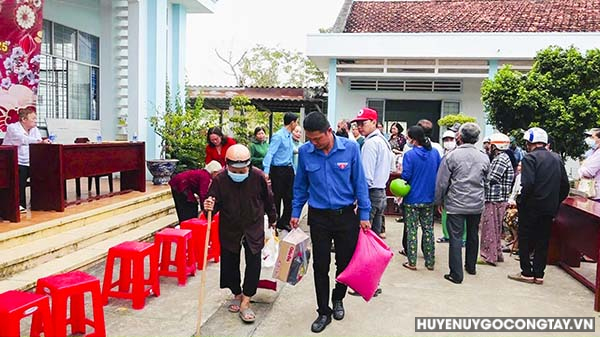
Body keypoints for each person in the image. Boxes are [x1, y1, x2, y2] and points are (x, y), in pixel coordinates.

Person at [290, 111, 370, 333]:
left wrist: (364, 215)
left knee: (345, 264)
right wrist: (296, 211)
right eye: (310, 139)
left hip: (346, 216)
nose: (313, 143)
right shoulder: (306, 153)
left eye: (317, 138)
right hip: (319, 217)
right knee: (320, 265)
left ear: (328, 131)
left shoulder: (350, 149)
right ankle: (323, 311)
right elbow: (300, 186)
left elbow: (360, 183)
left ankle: (338, 298)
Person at [203, 144, 277, 323]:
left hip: (253, 225)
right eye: (233, 169)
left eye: (242, 168)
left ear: (249, 164)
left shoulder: (258, 176)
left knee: (253, 262)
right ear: (226, 164)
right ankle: (237, 292)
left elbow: (269, 200)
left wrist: (273, 220)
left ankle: (246, 300)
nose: (238, 172)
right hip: (230, 227)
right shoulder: (220, 179)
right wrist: (207, 207)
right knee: (229, 262)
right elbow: (211, 204)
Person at [508, 127, 569, 285]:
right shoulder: (556, 158)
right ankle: (539, 274)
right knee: (543, 241)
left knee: (526, 239)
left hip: (531, 207)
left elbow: (528, 184)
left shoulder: (529, 158)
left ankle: (526, 272)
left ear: (530, 143)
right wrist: (555, 201)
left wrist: (521, 201)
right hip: (549, 208)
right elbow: (565, 186)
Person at [435, 122, 490, 284]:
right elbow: (486, 181)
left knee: (456, 238)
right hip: (476, 203)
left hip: (456, 203)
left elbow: (442, 182)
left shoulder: (451, 156)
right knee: (473, 235)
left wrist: (439, 200)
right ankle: (471, 266)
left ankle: (456, 273)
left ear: (459, 137)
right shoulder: (483, 157)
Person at [401, 125, 441, 271]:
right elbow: (439, 171)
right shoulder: (435, 153)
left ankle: (412, 262)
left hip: (412, 198)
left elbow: (406, 176)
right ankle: (430, 261)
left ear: (414, 139)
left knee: (411, 230)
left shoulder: (409, 155)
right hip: (429, 197)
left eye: (408, 136)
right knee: (428, 229)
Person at [353, 107, 393, 239]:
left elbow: (366, 177)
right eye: (358, 124)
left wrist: (359, 199)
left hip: (370, 193)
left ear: (374, 122)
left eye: (363, 123)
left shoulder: (370, 143)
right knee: (373, 238)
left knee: (363, 238)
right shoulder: (383, 141)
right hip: (381, 192)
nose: (359, 127)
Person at [3, 107, 50, 211]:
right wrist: (39, 141)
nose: (35, 120)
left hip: (30, 161)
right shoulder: (12, 127)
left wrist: (41, 142)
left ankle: (40, 202)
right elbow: (22, 139)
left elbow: (37, 141)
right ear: (24, 119)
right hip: (13, 161)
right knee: (20, 175)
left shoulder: (34, 129)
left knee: (45, 175)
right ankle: (18, 204)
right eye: (33, 118)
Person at [479, 133, 514, 266]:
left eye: (490, 145)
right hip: (499, 198)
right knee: (495, 228)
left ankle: (489, 256)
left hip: (495, 198)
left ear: (495, 146)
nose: (488, 147)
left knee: (489, 228)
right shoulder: (503, 158)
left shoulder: (500, 159)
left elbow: (492, 178)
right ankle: (496, 254)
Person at [262, 112, 298, 232]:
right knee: (276, 197)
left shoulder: (289, 136)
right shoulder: (278, 136)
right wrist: (266, 171)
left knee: (290, 198)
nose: (296, 124)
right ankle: (275, 222)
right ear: (292, 122)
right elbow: (270, 153)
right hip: (278, 170)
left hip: (288, 170)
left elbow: (291, 152)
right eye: (296, 122)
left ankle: (284, 221)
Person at [437, 130, 466, 244]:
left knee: (461, 215)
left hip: (457, 188)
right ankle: (447, 235)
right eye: (446, 140)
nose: (448, 142)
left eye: (451, 140)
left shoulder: (458, 154)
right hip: (447, 189)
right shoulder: (443, 154)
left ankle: (463, 238)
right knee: (445, 213)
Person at [579, 128, 600, 200]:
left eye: (592, 137)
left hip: (596, 194)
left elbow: (589, 172)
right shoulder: (593, 152)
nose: (589, 139)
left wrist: (581, 168)